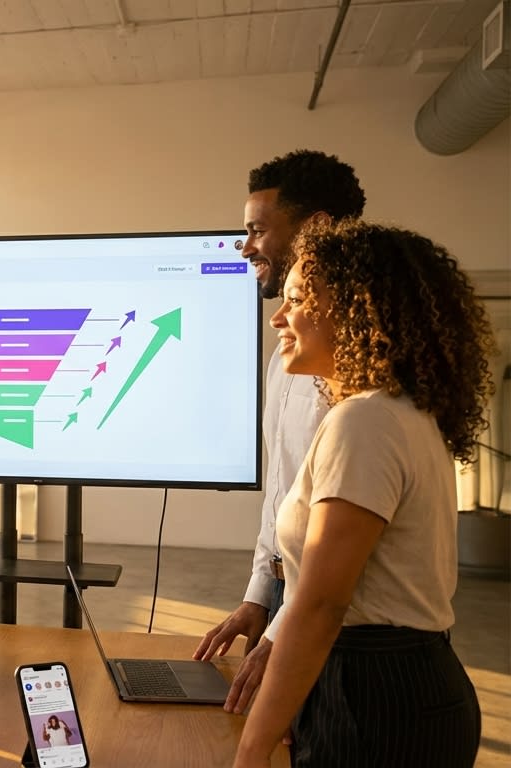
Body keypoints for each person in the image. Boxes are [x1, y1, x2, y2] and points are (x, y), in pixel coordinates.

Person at [233, 220, 490, 767]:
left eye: (298, 299)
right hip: (387, 684)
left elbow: (323, 604)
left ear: (355, 309)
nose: (278, 316)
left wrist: (251, 748)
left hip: (379, 698)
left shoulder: (366, 422)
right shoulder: (390, 412)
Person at [194, 149, 366, 713]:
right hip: (297, 610)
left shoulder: (369, 377)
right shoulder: (286, 359)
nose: (244, 247)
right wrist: (259, 597)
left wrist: (280, 636)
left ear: (314, 227)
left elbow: (343, 548)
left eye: (257, 230)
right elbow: (284, 495)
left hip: (353, 641)